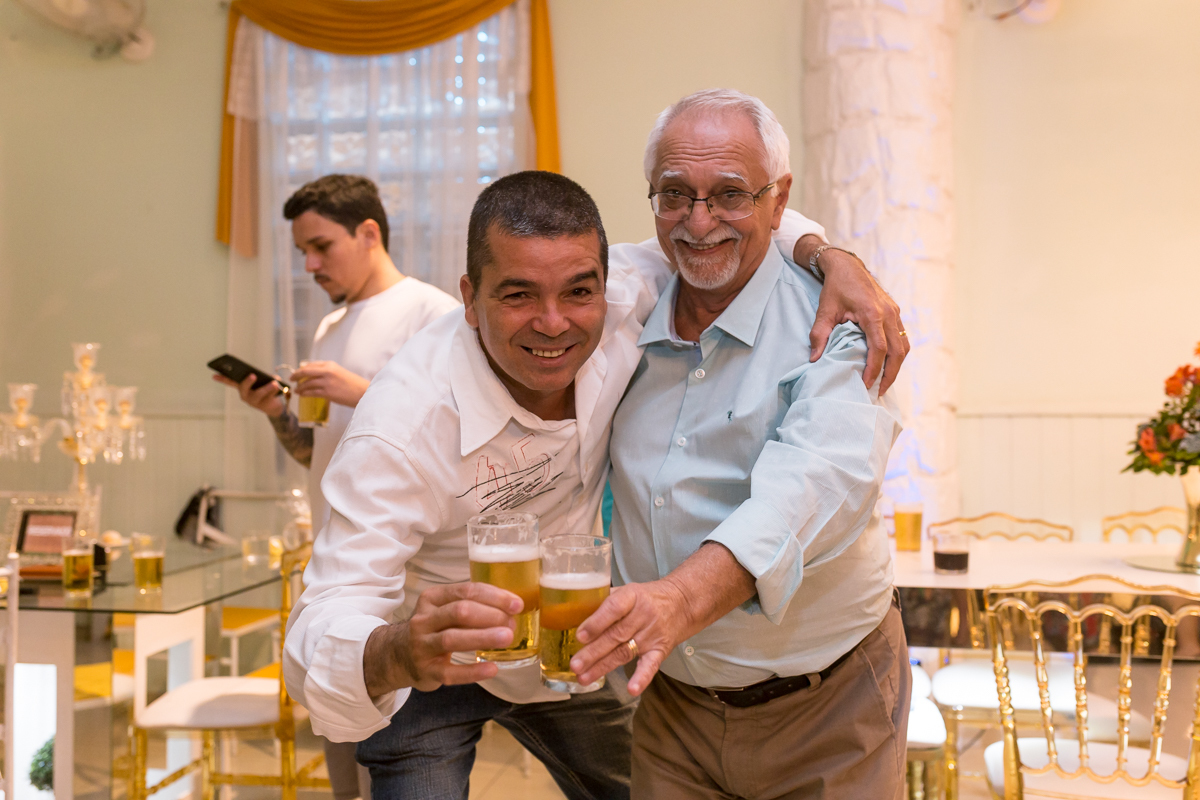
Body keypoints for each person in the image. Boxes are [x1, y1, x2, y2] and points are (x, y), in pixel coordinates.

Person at [282, 169, 905, 799]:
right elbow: (323, 618)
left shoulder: (623, 299)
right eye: (517, 295)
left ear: (604, 286)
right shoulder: (400, 428)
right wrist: (399, 650)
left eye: (578, 292)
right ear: (469, 299)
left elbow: (735, 228)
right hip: (436, 663)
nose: (553, 323)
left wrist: (834, 260)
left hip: (571, 650)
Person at [569, 89, 909, 799]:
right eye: (674, 196)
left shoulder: (839, 324)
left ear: (777, 201)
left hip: (829, 709)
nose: (699, 222)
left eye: (729, 195)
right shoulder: (623, 307)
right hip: (672, 709)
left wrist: (675, 602)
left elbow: (812, 486)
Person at [215, 174, 459, 800]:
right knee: (342, 765)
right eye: (302, 250)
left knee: (399, 765)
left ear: (369, 232)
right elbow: (319, 455)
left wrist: (361, 390)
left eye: (321, 246)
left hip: (401, 578)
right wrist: (276, 413)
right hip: (334, 564)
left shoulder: (433, 315)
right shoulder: (330, 328)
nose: (308, 264)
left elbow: (455, 436)